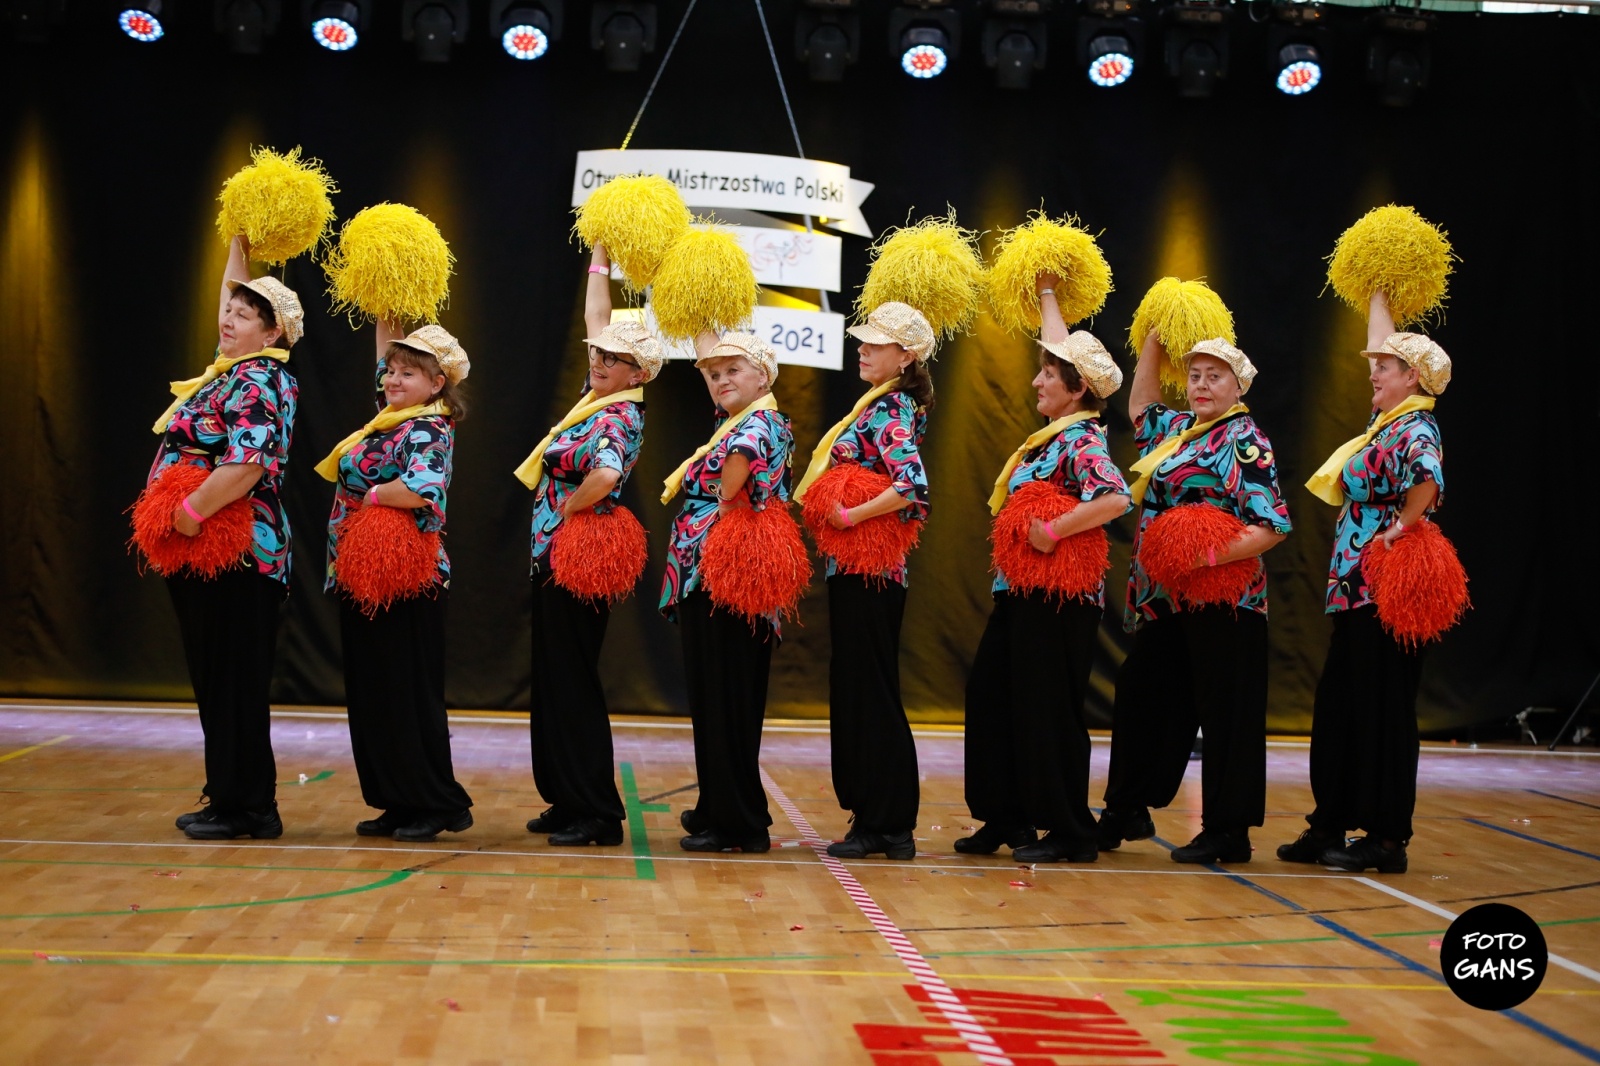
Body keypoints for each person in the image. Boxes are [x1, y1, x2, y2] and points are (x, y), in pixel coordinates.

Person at [1098, 330, 1292, 864]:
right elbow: (1139, 405)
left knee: (1227, 713)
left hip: (1225, 600)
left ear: (1238, 386)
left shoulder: (1245, 440)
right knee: (1142, 695)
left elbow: (1271, 525)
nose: (1202, 385)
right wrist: (1154, 340)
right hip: (1166, 598)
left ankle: (1229, 830)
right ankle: (1126, 808)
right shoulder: (1179, 430)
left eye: (1215, 376)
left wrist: (1204, 556)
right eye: (1196, 375)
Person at [959, 275, 1131, 863]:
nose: (1036, 380)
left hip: (1059, 601)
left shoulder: (1084, 440)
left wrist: (1053, 530)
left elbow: (1114, 499)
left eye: (1047, 376)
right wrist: (1048, 297)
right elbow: (1066, 350)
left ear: (1077, 389)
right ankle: (1006, 819)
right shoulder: (1055, 434)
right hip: (1020, 592)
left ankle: (1070, 831)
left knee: (1047, 712)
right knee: (991, 698)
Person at [1279, 291, 1450, 874]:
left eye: (1385, 368)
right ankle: (1329, 823)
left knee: (1383, 709)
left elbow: (1426, 479)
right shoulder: (1385, 424)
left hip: (1387, 591)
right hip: (1356, 589)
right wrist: (1377, 294)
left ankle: (1384, 838)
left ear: (1414, 378)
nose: (1372, 372)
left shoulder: (1416, 428)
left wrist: (1403, 527)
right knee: (1342, 707)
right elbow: (1382, 350)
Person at [517, 243, 661, 847]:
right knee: (552, 677)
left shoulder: (619, 416)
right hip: (556, 553)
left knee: (571, 677)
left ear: (640, 372)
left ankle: (597, 811)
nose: (601, 358)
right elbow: (595, 320)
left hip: (578, 555)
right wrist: (599, 256)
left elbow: (605, 477)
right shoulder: (596, 397)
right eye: (600, 353)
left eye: (617, 356)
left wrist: (567, 514)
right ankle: (564, 795)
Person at [158, 236, 302, 841]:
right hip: (204, 549)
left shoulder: (261, 381)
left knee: (236, 680)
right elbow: (227, 292)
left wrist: (189, 511)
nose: (227, 317)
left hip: (242, 551)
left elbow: (248, 463)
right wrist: (239, 236)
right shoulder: (229, 373)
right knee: (215, 676)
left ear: (271, 335)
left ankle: (252, 808)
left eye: (244, 315)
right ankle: (227, 797)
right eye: (229, 310)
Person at [319, 321, 474, 843]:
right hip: (361, 574)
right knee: (373, 694)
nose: (392, 379)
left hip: (408, 579)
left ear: (436, 384)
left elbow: (422, 488)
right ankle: (394, 799)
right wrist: (383, 300)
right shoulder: (389, 419)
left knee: (408, 693)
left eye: (408, 373)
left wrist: (377, 497)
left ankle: (433, 802)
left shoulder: (428, 427)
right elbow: (381, 356)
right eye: (391, 370)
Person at [793, 301, 934, 861]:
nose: (862, 348)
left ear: (906, 357)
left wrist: (850, 516)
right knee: (859, 687)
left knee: (869, 691)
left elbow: (911, 485)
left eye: (875, 343)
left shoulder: (890, 409)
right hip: (856, 568)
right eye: (864, 340)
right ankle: (877, 818)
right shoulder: (878, 405)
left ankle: (888, 823)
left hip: (872, 568)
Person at [660, 331, 793, 854]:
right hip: (713, 569)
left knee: (727, 695)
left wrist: (715, 493)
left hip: (731, 570)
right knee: (718, 695)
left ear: (763, 375)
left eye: (733, 370)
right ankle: (723, 806)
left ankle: (739, 822)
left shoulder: (758, 423)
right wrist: (698, 316)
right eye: (714, 375)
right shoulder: (738, 419)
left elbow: (734, 477)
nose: (720, 380)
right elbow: (710, 361)